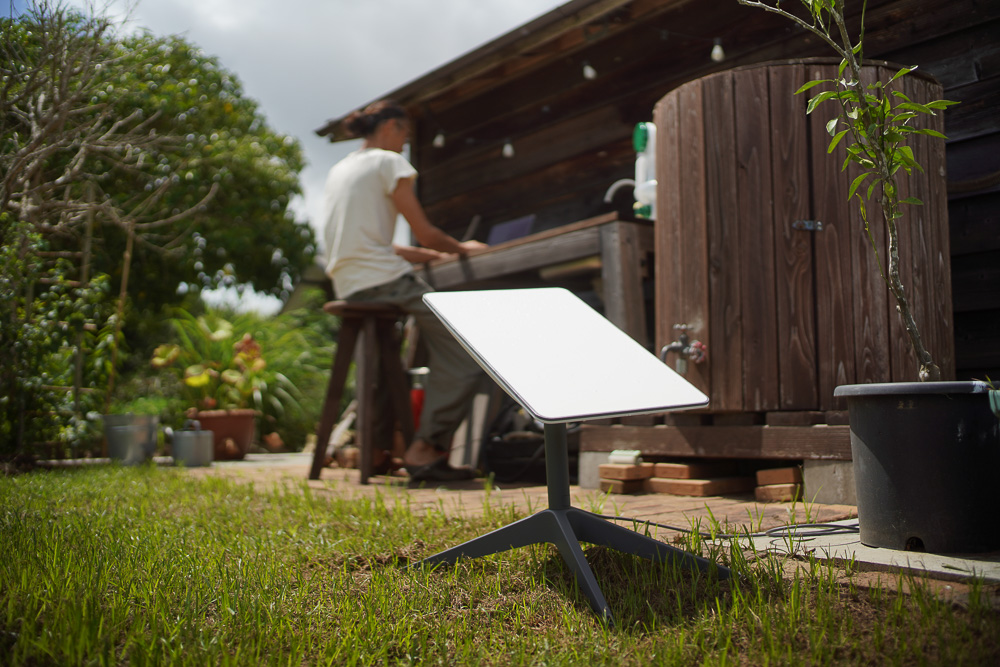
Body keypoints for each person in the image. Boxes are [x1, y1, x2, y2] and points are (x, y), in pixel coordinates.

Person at [321, 99, 487, 482]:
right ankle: (425, 448)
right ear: (391, 127)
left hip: (350, 284)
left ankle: (377, 451)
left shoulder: (339, 171)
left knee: (386, 360)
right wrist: (463, 248)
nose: (404, 145)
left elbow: (375, 245)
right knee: (466, 348)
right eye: (405, 136)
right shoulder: (389, 163)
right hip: (385, 281)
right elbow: (426, 229)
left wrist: (427, 255)